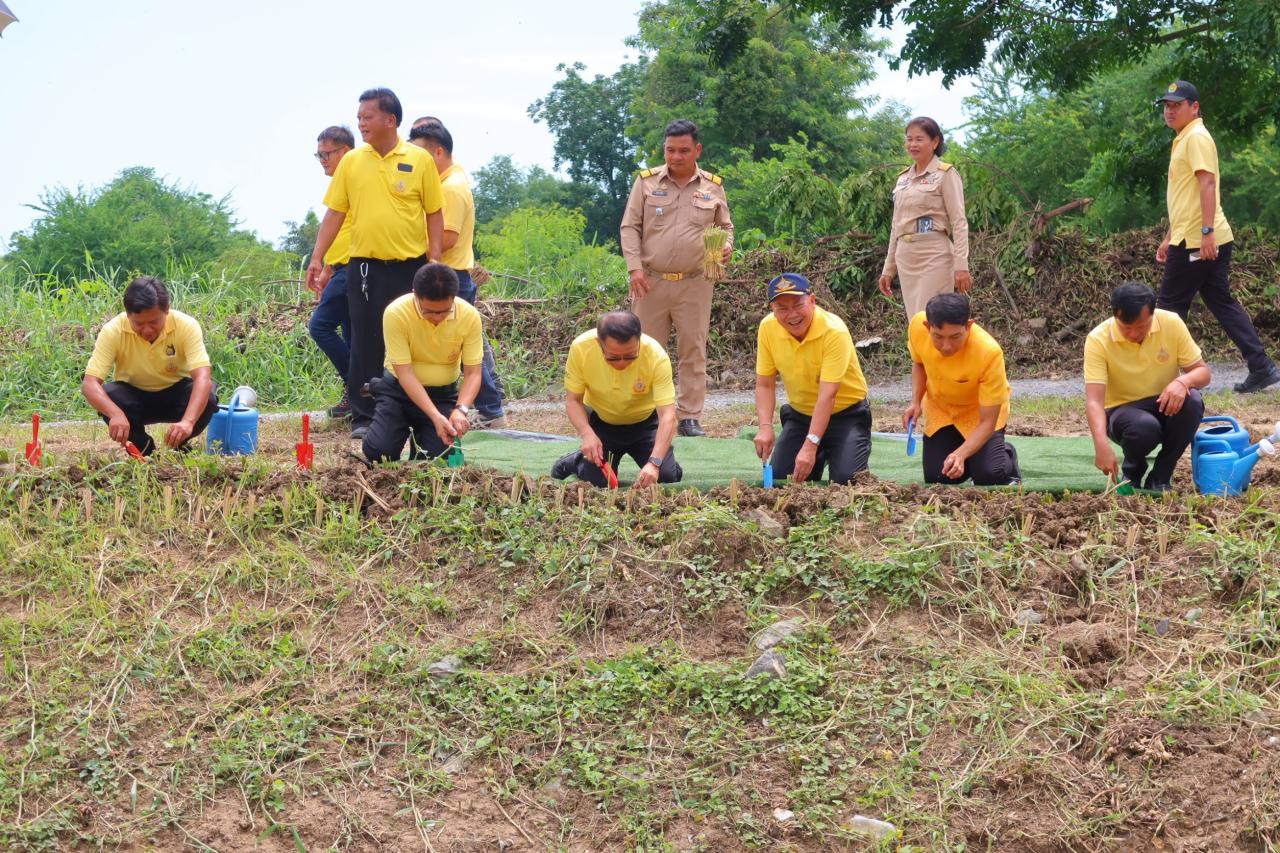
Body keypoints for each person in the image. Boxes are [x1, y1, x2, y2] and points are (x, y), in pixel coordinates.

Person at [306, 88, 445, 440]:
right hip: (364, 267)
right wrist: (317, 256)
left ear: (390, 120)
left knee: (409, 339)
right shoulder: (353, 162)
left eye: (367, 117)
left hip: (410, 266)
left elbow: (434, 212)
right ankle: (364, 416)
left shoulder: (419, 159)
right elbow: (335, 212)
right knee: (366, 341)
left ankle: (416, 411)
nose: (361, 123)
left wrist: (435, 262)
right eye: (359, 117)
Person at [1153, 80, 1280, 393]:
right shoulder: (1185, 137)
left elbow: (1207, 185)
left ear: (1194, 107)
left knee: (1168, 308)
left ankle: (1164, 379)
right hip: (1196, 237)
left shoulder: (1196, 136)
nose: (1170, 111)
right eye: (1167, 105)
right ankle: (1261, 366)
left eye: (1176, 105)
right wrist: (1170, 235)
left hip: (1199, 243)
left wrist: (1206, 233)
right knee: (1219, 300)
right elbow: (1185, 196)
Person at [620, 119, 733, 438]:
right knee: (643, 349)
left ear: (697, 150)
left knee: (693, 349)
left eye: (684, 150)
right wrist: (634, 268)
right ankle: (648, 414)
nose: (676, 157)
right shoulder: (645, 182)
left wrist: (726, 247)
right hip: (650, 281)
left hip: (696, 282)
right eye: (670, 150)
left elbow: (725, 226)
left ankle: (689, 416)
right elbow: (630, 227)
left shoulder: (712, 186)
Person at [407, 120, 507, 428]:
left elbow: (446, 238)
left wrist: (406, 243)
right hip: (454, 275)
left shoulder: (450, 188)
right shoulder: (452, 178)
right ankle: (491, 407)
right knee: (474, 344)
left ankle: (490, 409)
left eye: (420, 156)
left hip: (449, 278)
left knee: (466, 348)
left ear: (438, 153)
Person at [1084, 282, 1211, 493]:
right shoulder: (1098, 339)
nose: (1134, 334)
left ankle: (1161, 476)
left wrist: (1182, 381)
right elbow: (1094, 400)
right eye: (1126, 328)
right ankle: (1132, 472)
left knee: (1193, 401)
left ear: (1153, 314)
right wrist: (1100, 443)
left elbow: (1203, 372)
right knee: (1143, 428)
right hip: (1123, 413)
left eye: (1141, 327)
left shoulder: (1171, 323)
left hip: (1165, 403)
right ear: (1115, 316)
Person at [754, 273, 871, 484]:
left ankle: (830, 451)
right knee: (784, 478)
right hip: (801, 416)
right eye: (782, 308)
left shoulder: (834, 331)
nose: (792, 315)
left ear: (813, 301)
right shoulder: (767, 328)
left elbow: (828, 396)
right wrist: (765, 427)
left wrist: (810, 445)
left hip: (846, 414)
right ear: (772, 310)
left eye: (798, 305)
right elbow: (764, 384)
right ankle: (819, 452)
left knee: (846, 481)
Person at [82, 276, 218, 456]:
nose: (147, 330)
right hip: (134, 398)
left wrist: (188, 422)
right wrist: (115, 413)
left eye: (154, 322)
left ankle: (178, 444)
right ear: (128, 314)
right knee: (109, 396)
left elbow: (203, 378)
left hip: (176, 394)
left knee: (207, 395)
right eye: (138, 323)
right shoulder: (112, 330)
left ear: (167, 310)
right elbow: (90, 384)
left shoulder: (186, 325)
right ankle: (143, 449)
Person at [362, 263, 483, 463]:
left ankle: (422, 433)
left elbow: (473, 373)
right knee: (380, 452)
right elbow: (405, 373)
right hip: (398, 392)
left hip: (442, 395)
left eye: (444, 311)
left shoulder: (469, 316)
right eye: (429, 312)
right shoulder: (396, 313)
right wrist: (435, 416)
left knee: (439, 458)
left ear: (454, 298)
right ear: (414, 295)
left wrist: (460, 410)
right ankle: (385, 405)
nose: (437, 318)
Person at [550, 310, 682, 488]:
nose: (622, 363)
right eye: (613, 357)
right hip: (603, 423)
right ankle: (576, 461)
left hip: (645, 424)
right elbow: (573, 400)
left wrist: (655, 463)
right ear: (599, 343)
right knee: (597, 482)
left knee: (666, 476)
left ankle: (666, 460)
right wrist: (587, 434)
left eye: (630, 356)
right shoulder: (581, 348)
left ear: (639, 340)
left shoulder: (656, 355)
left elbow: (667, 414)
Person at [903, 293, 1019, 485]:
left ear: (968, 326)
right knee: (938, 477)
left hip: (979, 413)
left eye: (955, 337)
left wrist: (960, 454)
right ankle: (973, 456)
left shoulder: (988, 352)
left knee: (989, 475)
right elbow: (919, 364)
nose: (946, 346)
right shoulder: (917, 326)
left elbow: (988, 421)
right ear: (927, 327)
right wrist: (915, 402)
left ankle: (1005, 453)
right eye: (938, 337)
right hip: (942, 409)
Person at [878, 117, 971, 320]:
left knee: (932, 317)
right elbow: (896, 227)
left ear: (935, 142)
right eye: (909, 139)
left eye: (919, 139)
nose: (912, 144)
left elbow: (959, 222)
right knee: (915, 322)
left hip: (934, 255)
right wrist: (888, 268)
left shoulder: (946, 174)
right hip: (906, 256)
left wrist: (961, 265)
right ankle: (918, 354)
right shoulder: (903, 179)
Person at [307, 125, 355, 418]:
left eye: (326, 154)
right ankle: (356, 396)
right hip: (341, 267)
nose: (323, 160)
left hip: (354, 268)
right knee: (351, 335)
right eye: (319, 155)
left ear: (345, 152)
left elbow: (345, 228)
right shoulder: (342, 181)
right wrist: (328, 266)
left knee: (320, 326)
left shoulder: (354, 177)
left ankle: (362, 386)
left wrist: (325, 263)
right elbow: (341, 231)